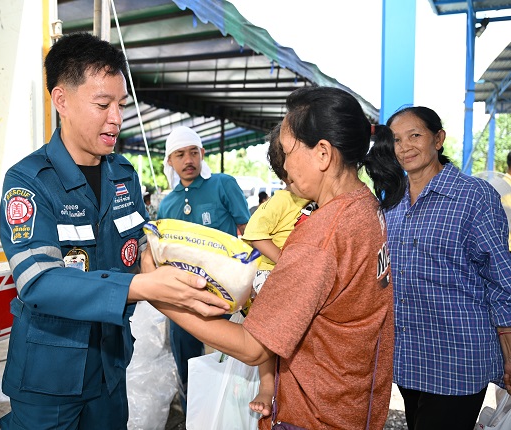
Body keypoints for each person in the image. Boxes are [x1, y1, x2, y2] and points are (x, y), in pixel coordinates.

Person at [0, 32, 229, 430]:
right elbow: (38, 282)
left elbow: (140, 249)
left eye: (121, 104)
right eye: (103, 104)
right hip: (50, 376)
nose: (117, 118)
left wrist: (190, 283)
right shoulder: (29, 181)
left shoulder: (123, 175)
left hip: (110, 366)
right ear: (61, 101)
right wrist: (142, 287)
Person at [152, 86, 401, 429]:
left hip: (314, 413)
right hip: (353, 401)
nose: (282, 163)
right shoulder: (365, 206)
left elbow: (253, 347)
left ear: (323, 154)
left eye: (287, 150)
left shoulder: (320, 237)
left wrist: (160, 295)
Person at [378, 106, 511, 430]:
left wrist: (509, 353)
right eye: (396, 140)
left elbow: (501, 278)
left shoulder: (473, 196)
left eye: (415, 135)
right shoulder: (392, 201)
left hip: (457, 357)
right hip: (409, 355)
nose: (405, 147)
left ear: (438, 139)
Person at [157, 125, 251, 411]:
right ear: (169, 161)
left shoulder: (223, 185)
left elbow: (248, 232)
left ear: (202, 153)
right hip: (183, 298)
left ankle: (229, 414)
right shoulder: (167, 204)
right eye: (180, 155)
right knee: (187, 361)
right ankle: (193, 415)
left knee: (228, 364)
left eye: (193, 152)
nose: (189, 160)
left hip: (224, 296)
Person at [241, 123, 316, 417]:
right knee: (267, 334)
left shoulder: (312, 199)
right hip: (268, 273)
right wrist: (284, 260)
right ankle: (267, 386)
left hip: (289, 273)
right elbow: (253, 233)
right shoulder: (283, 200)